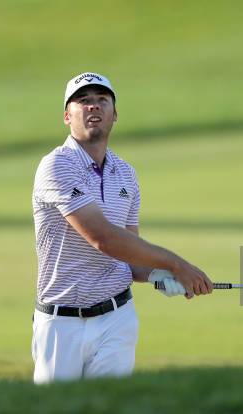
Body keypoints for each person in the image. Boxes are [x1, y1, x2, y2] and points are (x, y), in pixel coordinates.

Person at [31, 72, 213, 384]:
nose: (93, 107)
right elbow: (102, 238)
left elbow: (128, 257)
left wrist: (157, 275)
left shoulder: (126, 174)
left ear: (115, 114)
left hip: (116, 319)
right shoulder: (57, 165)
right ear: (67, 116)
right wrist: (176, 264)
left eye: (102, 100)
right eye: (83, 101)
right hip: (61, 324)